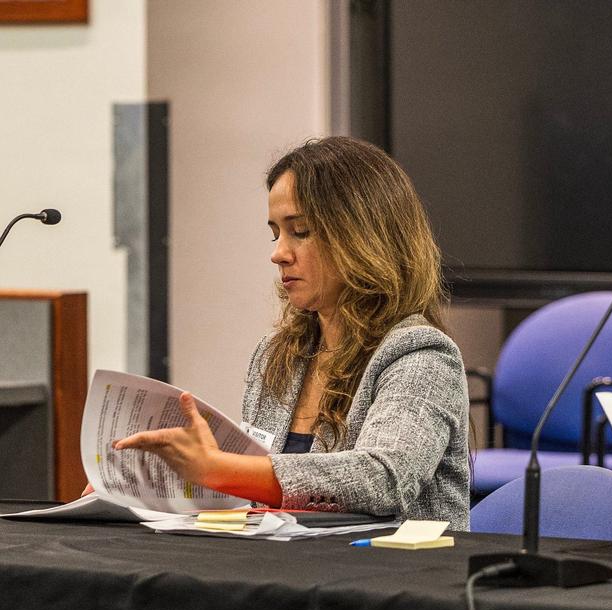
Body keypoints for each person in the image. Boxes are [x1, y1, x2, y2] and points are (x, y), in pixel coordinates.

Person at [114, 137, 471, 528]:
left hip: (395, 578)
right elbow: (255, 491)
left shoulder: (422, 355)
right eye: (275, 233)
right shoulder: (275, 356)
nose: (278, 253)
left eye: (300, 231)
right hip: (289, 572)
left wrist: (217, 469)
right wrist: (151, 485)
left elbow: (382, 480)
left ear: (365, 237)